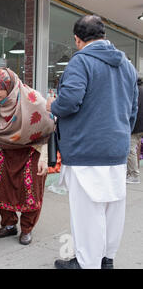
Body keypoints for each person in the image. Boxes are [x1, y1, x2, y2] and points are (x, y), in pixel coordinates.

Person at [47, 15, 138, 269]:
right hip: (116, 150)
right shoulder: (128, 66)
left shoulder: (81, 61)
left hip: (86, 150)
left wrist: (51, 105)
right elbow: (133, 110)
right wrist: (118, 135)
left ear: (78, 39)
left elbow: (69, 101)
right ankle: (106, 259)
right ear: (104, 35)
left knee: (88, 213)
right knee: (112, 209)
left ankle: (87, 264)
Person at [0, 67, 55, 245]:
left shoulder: (32, 100)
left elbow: (48, 126)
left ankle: (27, 228)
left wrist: (44, 156)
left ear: (10, 87)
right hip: (2, 149)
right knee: (2, 188)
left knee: (30, 190)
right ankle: (9, 225)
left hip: (30, 150)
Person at [126, 75, 143, 184]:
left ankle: (134, 174)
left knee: (130, 149)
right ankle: (131, 172)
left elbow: (133, 109)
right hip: (140, 126)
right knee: (134, 147)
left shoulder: (136, 91)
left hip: (136, 125)